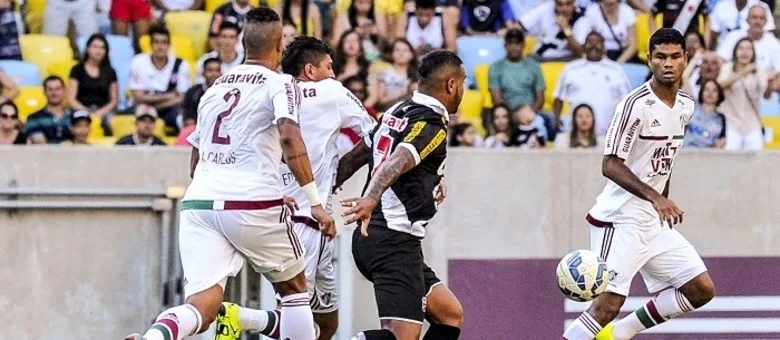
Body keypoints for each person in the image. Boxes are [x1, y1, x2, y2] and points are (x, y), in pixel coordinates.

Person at [123, 7, 335, 340]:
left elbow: (197, 154)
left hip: (200, 202)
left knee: (202, 308)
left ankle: (154, 337)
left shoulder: (215, 87)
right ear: (280, 44)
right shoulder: (281, 84)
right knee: (295, 291)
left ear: (242, 43)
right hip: (252, 202)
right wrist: (314, 201)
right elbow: (289, 135)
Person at [214, 35, 376, 340]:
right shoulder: (331, 91)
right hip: (306, 218)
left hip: (283, 209)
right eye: (329, 66)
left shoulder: (270, 91)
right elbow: (376, 134)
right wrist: (345, 171)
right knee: (295, 313)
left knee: (326, 323)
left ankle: (246, 317)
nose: (333, 73)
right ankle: (241, 317)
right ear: (311, 70)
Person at [560, 28, 715, 340]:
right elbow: (610, 163)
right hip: (619, 218)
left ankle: (619, 334)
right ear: (649, 60)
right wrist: (657, 198)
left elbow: (665, 159)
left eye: (674, 56)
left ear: (685, 59)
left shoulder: (685, 105)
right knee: (608, 303)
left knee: (700, 289)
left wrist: (662, 203)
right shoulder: (635, 105)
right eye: (660, 57)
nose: (667, 63)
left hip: (652, 221)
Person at [336, 49, 466, 340]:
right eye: (463, 82)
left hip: (381, 238)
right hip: (393, 239)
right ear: (451, 85)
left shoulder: (397, 110)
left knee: (449, 314)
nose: (464, 90)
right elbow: (397, 160)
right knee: (401, 336)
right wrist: (370, 198)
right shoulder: (432, 124)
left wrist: (325, 187)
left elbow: (358, 154)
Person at [68, 33, 119, 136]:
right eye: (95, 47)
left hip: (104, 111)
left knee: (113, 122)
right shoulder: (77, 70)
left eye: (102, 48)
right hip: (81, 108)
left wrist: (100, 112)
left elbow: (114, 100)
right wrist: (86, 111)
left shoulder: (110, 72)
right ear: (88, 49)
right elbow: (71, 99)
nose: (98, 51)